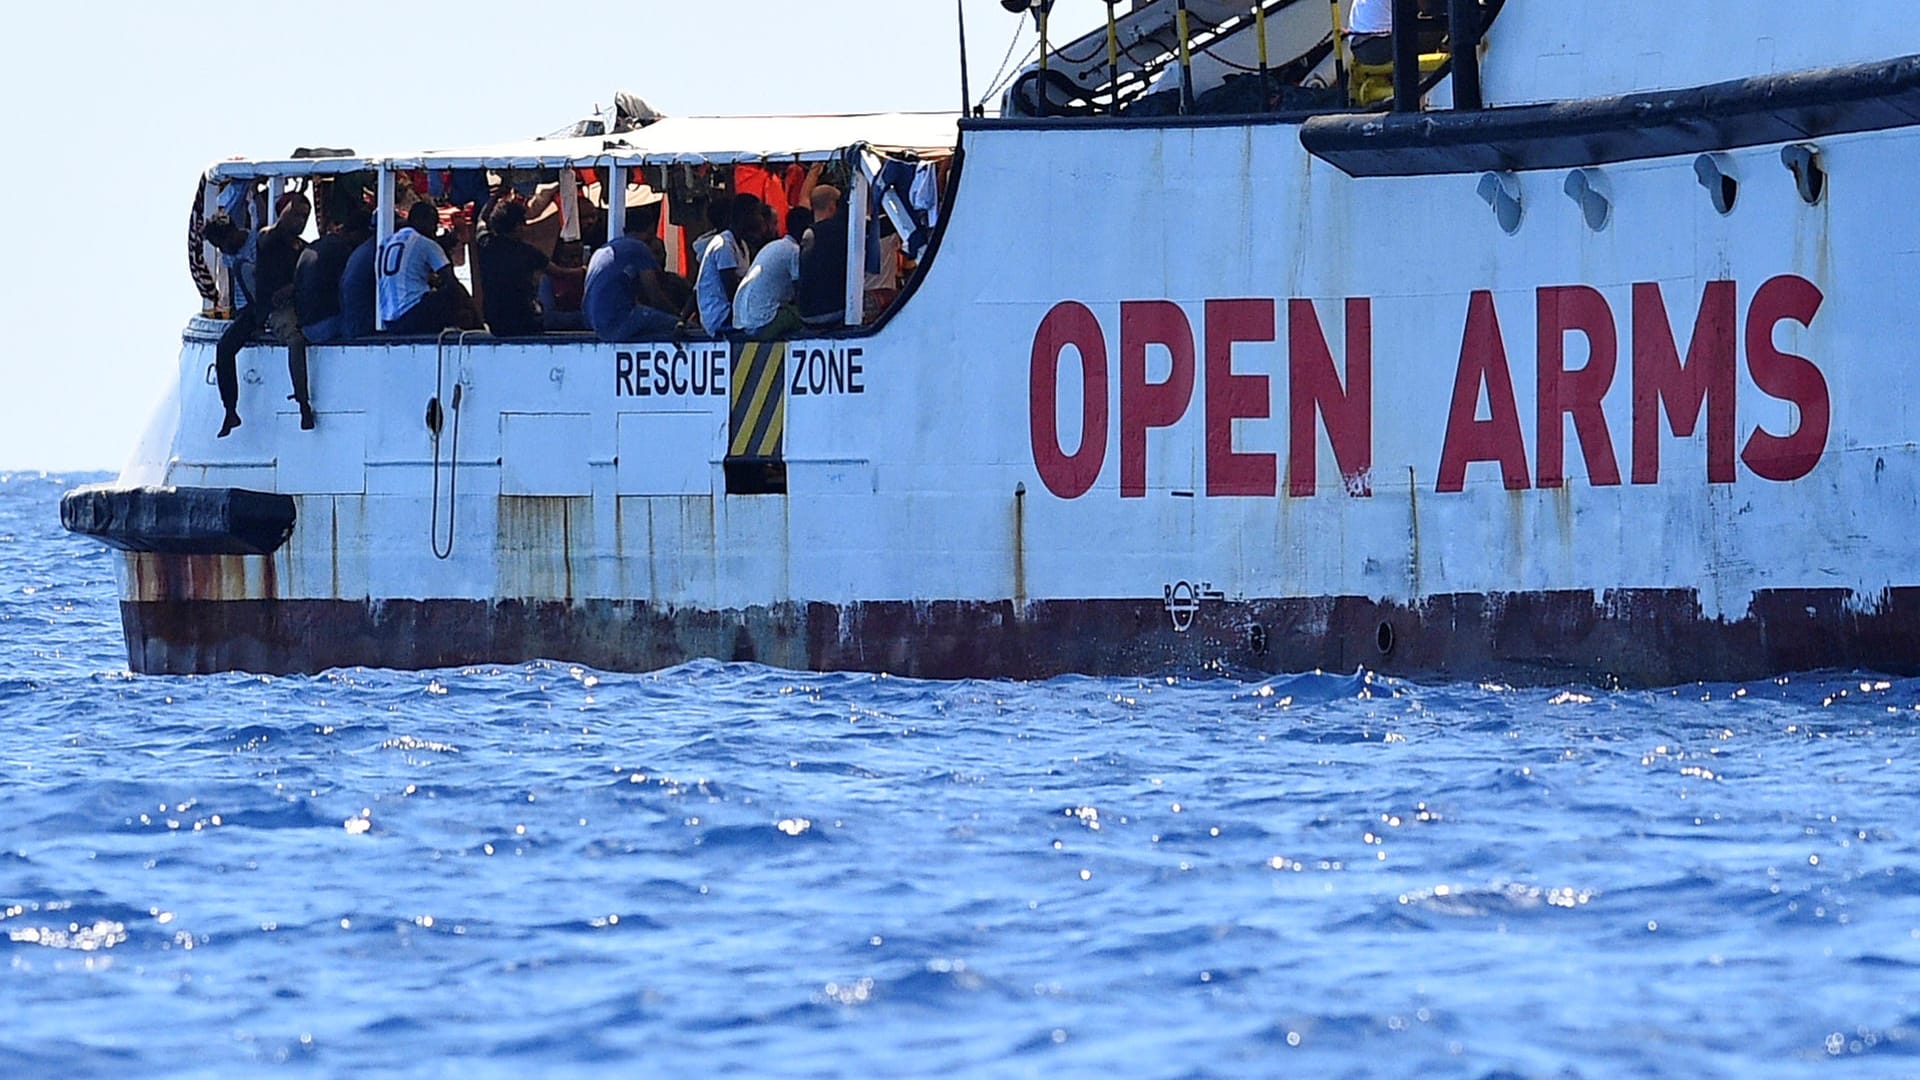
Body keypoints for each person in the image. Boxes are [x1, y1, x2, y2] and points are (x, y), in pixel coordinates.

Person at [582, 199, 680, 341]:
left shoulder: (603, 249)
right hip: (618, 321)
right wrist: (679, 317)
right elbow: (654, 294)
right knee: (678, 326)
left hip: (593, 323)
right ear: (648, 231)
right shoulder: (639, 248)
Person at [378, 201, 461, 335]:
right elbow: (451, 282)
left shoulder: (387, 242)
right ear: (422, 221)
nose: (435, 230)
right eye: (433, 224)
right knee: (452, 294)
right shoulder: (425, 243)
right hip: (411, 314)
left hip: (388, 317)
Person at [297, 203, 371, 345]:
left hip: (306, 326)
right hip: (324, 326)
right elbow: (348, 290)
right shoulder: (341, 250)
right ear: (356, 234)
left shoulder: (318, 244)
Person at [475, 199, 550, 337]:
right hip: (524, 319)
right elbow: (559, 272)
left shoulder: (486, 243)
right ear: (517, 227)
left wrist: (496, 195)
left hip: (495, 321)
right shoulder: (527, 252)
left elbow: (481, 218)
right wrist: (584, 270)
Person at [693, 194, 764, 336]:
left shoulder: (742, 245)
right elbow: (732, 291)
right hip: (720, 316)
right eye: (757, 213)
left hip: (733, 312)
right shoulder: (723, 245)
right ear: (745, 216)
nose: (760, 219)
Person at [734, 205, 809, 338]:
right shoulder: (794, 251)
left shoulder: (773, 246)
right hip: (762, 322)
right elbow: (801, 293)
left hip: (743, 322)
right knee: (806, 317)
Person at [796, 185, 848, 330]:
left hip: (806, 314)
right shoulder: (842, 231)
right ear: (832, 206)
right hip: (834, 311)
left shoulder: (808, 234)